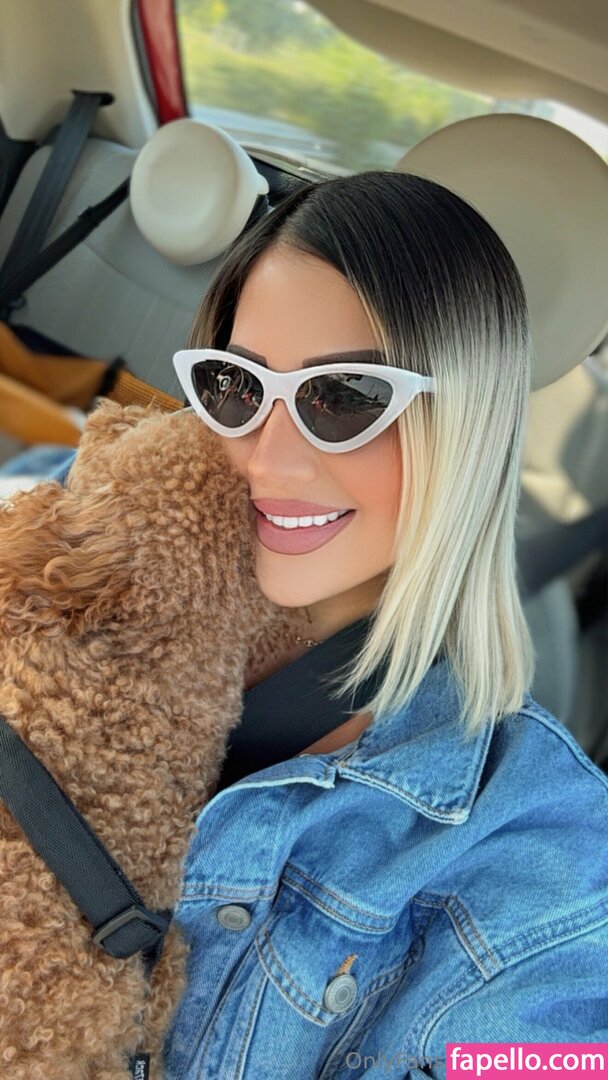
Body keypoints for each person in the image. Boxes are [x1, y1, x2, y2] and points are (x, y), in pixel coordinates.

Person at [55, 172, 608, 1077]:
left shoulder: (536, 855)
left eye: (345, 395)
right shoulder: (76, 554)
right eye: (237, 385)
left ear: (464, 428)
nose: (269, 459)